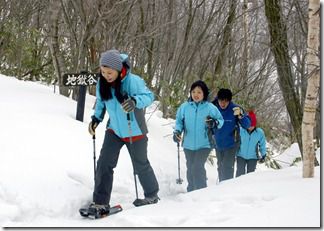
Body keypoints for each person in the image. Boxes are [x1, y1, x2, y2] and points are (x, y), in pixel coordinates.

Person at [87, 49, 159, 214]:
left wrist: (134, 101)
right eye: (103, 72)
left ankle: (152, 195)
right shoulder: (102, 83)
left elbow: (149, 96)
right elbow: (100, 102)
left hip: (135, 131)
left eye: (110, 72)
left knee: (140, 164)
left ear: (118, 69)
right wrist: (96, 119)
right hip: (115, 130)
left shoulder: (133, 81)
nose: (106, 75)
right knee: (104, 163)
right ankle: (100, 202)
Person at [173, 80, 224, 192]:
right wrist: (177, 132)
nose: (196, 94)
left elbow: (221, 121)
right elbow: (179, 122)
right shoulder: (184, 107)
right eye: (193, 91)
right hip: (188, 144)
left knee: (197, 166)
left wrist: (214, 123)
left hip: (204, 143)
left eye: (199, 92)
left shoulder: (210, 107)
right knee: (190, 168)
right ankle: (191, 190)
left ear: (204, 94)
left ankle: (201, 191)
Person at [211, 88, 251, 182]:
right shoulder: (213, 108)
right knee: (220, 166)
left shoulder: (235, 109)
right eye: (221, 100)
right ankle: (221, 186)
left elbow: (247, 125)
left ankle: (226, 189)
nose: (223, 103)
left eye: (226, 101)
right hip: (218, 143)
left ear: (229, 101)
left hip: (231, 144)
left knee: (227, 167)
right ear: (218, 99)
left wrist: (241, 116)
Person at [236, 111, 267, 177]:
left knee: (250, 176)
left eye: (252, 125)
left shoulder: (259, 132)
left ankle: (248, 187)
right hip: (240, 155)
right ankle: (238, 187)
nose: (250, 127)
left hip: (253, 157)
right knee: (239, 174)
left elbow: (262, 144)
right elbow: (235, 141)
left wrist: (263, 155)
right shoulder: (241, 130)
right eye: (249, 125)